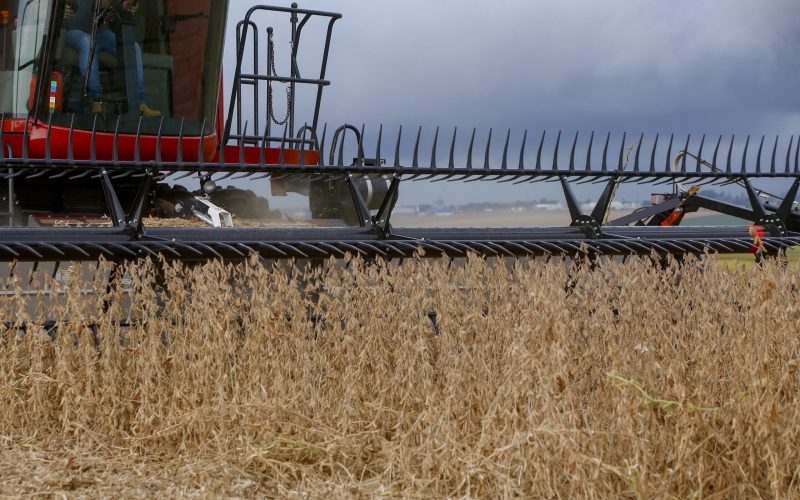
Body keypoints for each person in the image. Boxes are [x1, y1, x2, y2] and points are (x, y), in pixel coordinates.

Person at [64, 0, 160, 116]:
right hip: (73, 31)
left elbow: (108, 7)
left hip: (100, 33)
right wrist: (60, 12)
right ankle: (95, 99)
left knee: (132, 47)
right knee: (87, 42)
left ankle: (139, 103)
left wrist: (126, 7)